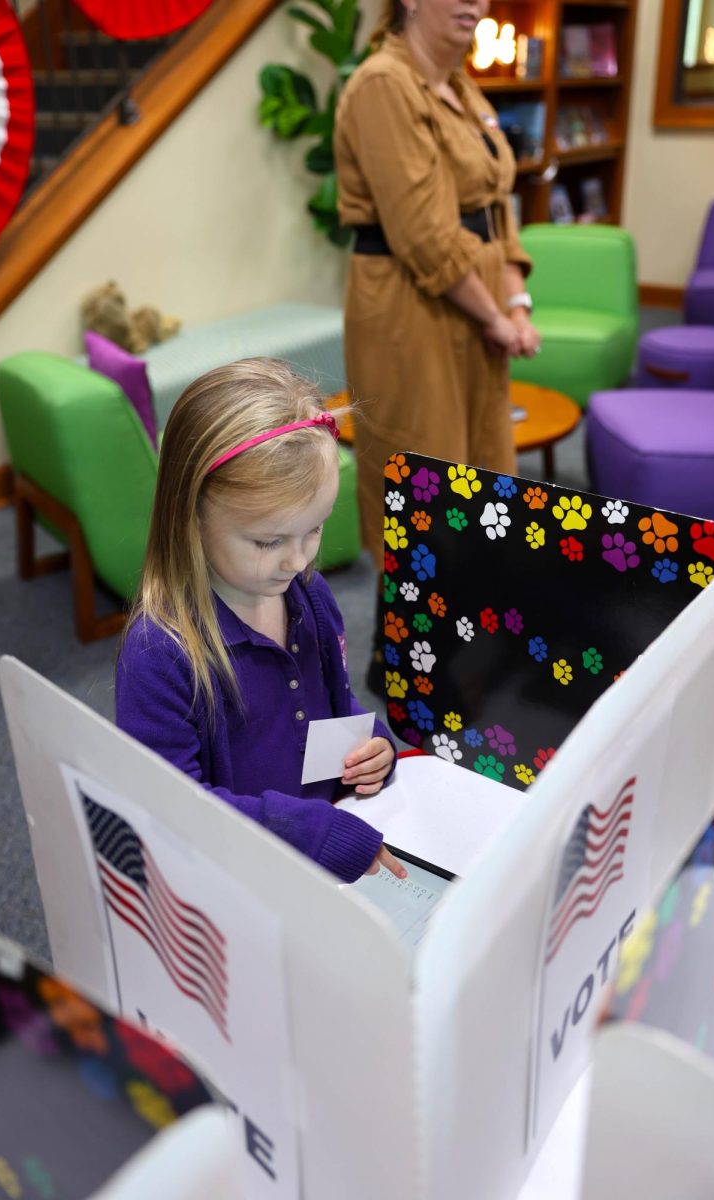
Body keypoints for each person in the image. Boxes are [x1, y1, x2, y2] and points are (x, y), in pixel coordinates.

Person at [116, 358, 405, 885]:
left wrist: (375, 746)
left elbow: (334, 708)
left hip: (328, 858)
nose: (298, 561)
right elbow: (168, 807)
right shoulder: (160, 653)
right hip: (234, 883)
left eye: (314, 530)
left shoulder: (310, 597)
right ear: (192, 516)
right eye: (269, 541)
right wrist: (308, 832)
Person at [334, 0, 540, 690]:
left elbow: (497, 209)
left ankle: (458, 636)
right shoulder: (383, 85)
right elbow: (421, 232)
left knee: (483, 468)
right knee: (421, 478)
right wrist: (495, 318)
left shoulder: (462, 85)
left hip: (473, 304)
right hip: (409, 307)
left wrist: (514, 302)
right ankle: (398, 658)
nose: (474, 4)